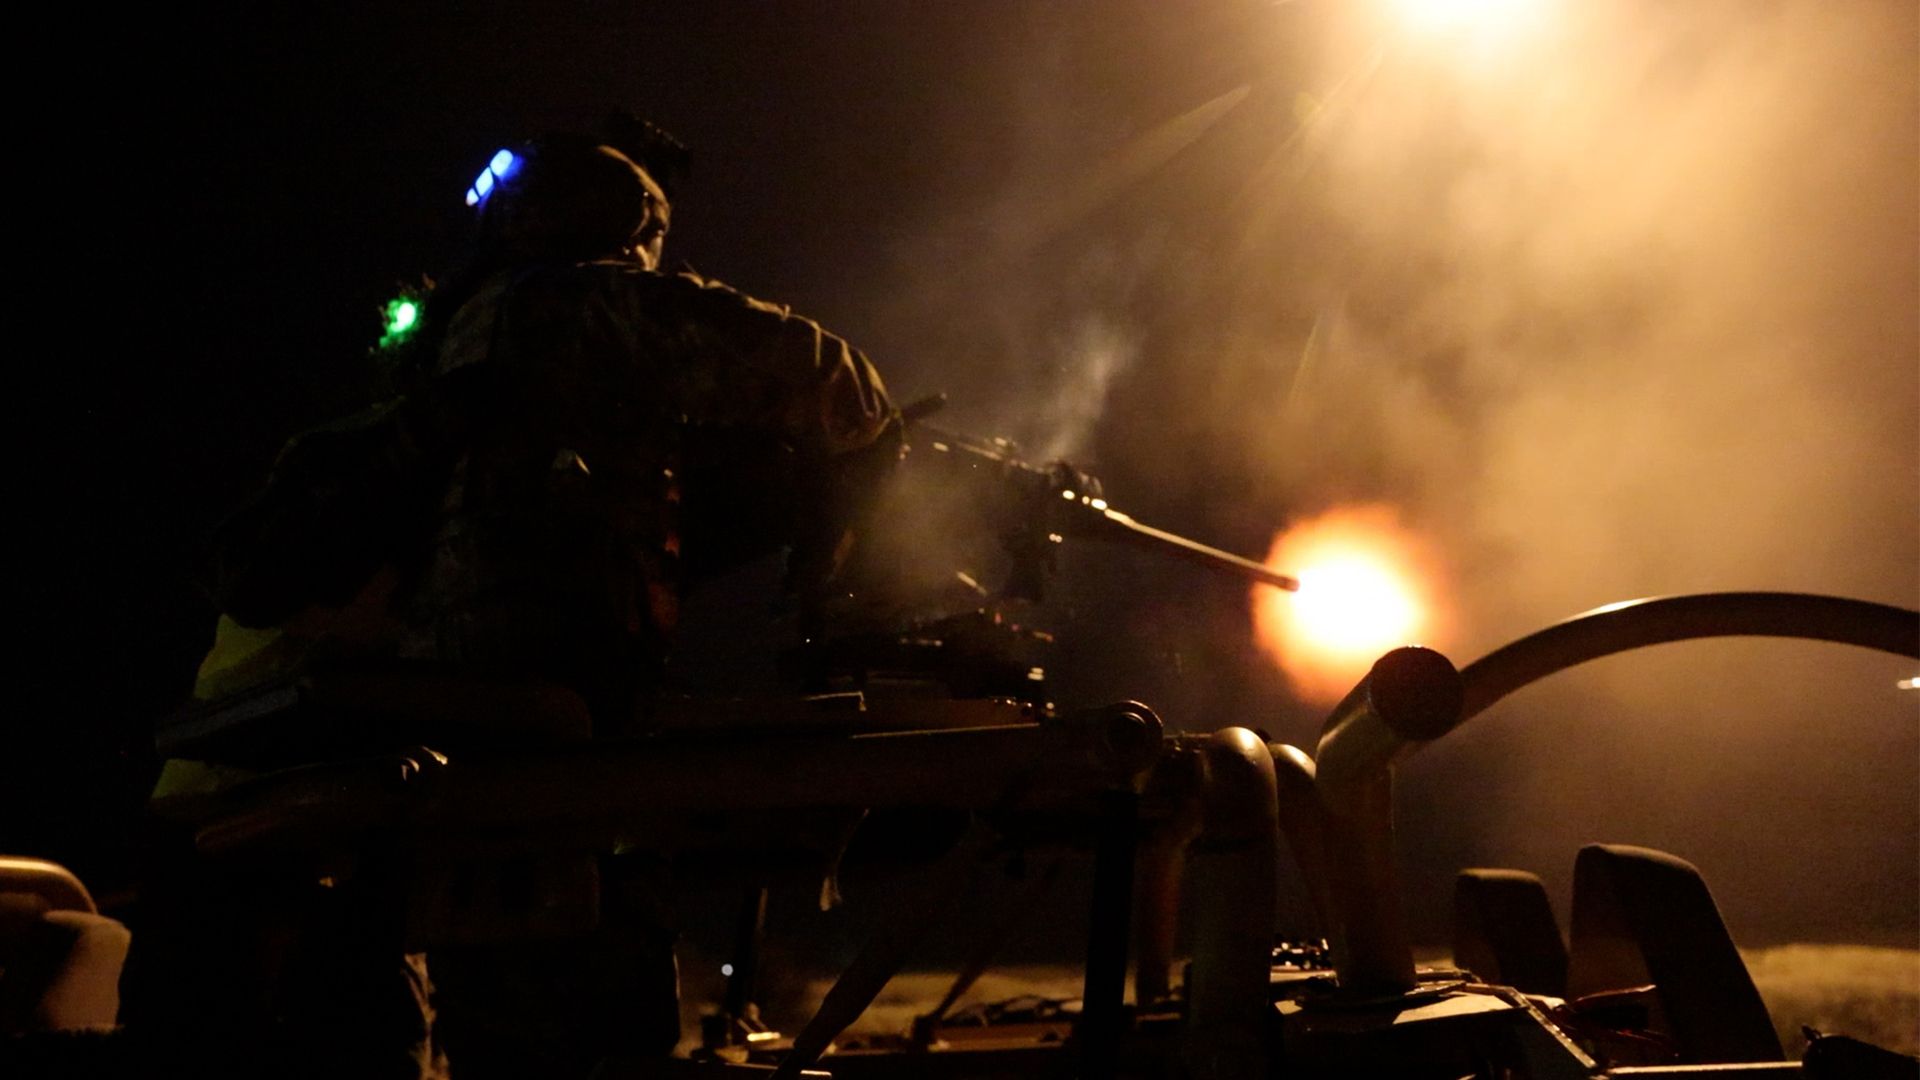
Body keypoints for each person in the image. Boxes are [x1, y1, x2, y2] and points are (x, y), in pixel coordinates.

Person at [134, 113, 902, 1080]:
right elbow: (822, 375)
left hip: (355, 791)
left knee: (464, 1027)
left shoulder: (453, 368)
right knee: (585, 1030)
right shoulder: (578, 303)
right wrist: (874, 454)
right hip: (519, 732)